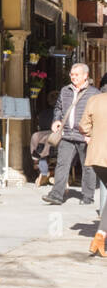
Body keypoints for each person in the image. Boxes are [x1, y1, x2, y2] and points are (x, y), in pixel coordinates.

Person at [45, 62, 99, 205]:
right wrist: (56, 120)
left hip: (85, 137)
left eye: (76, 75)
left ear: (85, 76)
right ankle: (56, 195)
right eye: (72, 74)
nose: (73, 77)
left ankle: (88, 197)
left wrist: (92, 134)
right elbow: (58, 107)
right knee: (62, 165)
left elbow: (98, 115)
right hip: (67, 135)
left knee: (88, 167)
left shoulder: (94, 93)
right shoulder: (65, 91)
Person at [74, 91, 107, 256]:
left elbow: (83, 126)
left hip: (97, 156)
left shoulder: (95, 100)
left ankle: (100, 236)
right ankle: (100, 236)